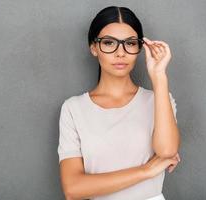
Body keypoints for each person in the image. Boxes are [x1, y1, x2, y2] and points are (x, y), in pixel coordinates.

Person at [57, 6, 181, 200]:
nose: (120, 53)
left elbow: (167, 151)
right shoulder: (73, 109)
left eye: (130, 43)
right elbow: (73, 188)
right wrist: (146, 170)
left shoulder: (159, 100)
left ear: (140, 48)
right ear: (93, 48)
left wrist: (158, 76)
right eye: (108, 43)